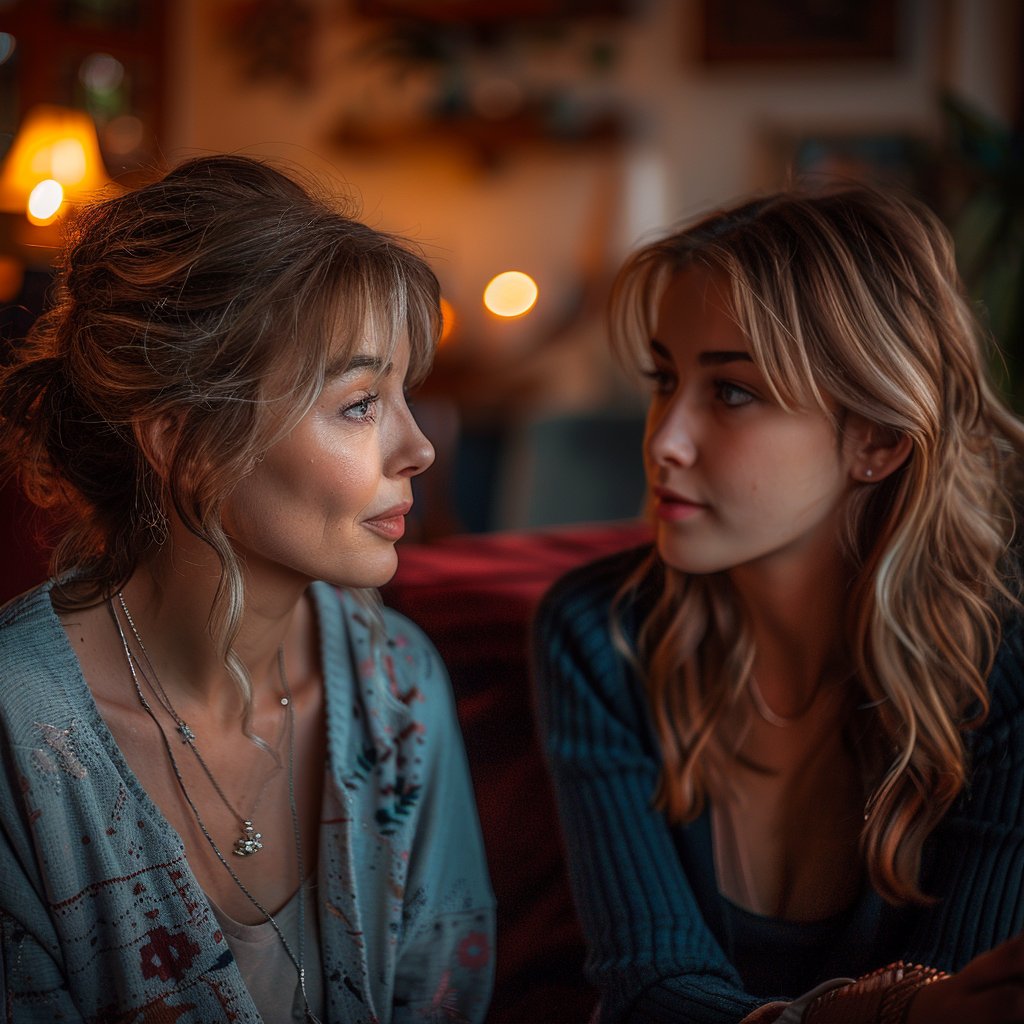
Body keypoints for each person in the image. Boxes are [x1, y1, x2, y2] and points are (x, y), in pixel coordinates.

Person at [0, 154, 494, 1023]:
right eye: (360, 404)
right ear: (185, 443)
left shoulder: (398, 686)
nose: (418, 448)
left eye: (405, 394)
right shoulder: (17, 733)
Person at [532, 186, 1024, 1023]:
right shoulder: (598, 634)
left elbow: (971, 1005)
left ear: (876, 439)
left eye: (731, 392)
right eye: (664, 380)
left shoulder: (1004, 666)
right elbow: (649, 993)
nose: (664, 440)